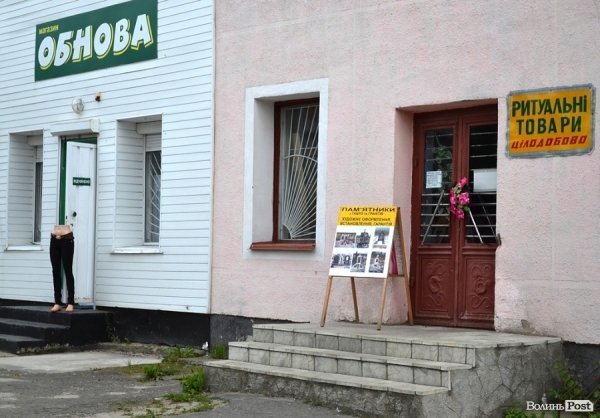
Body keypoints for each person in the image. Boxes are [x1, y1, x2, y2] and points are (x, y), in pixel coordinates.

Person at [49, 224, 75, 312]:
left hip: (67, 239)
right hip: (54, 238)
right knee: (55, 271)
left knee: (68, 270)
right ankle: (57, 302)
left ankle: (71, 302)